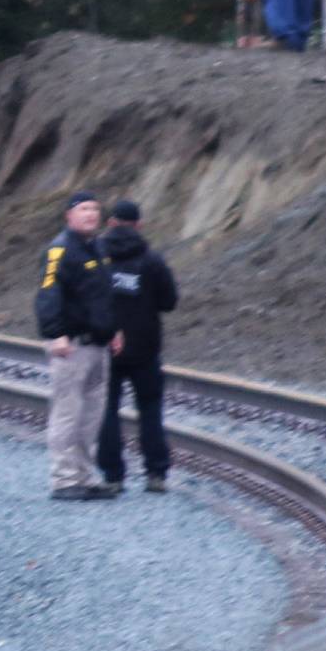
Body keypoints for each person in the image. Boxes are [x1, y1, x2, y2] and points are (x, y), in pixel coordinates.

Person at [34, 189, 119, 501]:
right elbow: (47, 292)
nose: (90, 214)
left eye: (95, 209)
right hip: (72, 346)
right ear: (69, 215)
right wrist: (55, 333)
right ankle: (64, 479)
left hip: (98, 345)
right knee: (67, 413)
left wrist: (114, 329)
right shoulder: (61, 249)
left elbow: (103, 295)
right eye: (83, 209)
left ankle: (83, 475)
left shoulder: (97, 247)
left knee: (91, 415)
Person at [96, 199, 178, 494]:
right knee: (151, 410)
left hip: (105, 347)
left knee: (107, 411)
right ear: (139, 225)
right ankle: (156, 474)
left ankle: (113, 476)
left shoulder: (96, 258)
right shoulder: (152, 260)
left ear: (110, 223)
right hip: (145, 349)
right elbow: (169, 302)